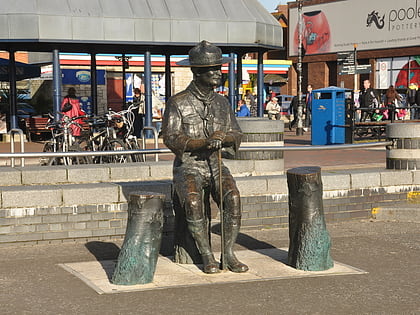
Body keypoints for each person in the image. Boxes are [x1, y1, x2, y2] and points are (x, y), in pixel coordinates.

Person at [161, 40, 248, 274]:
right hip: (189, 167)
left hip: (216, 165)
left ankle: (228, 254)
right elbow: (171, 137)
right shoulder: (177, 102)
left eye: (219, 68)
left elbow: (237, 133)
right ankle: (206, 254)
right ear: (197, 72)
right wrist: (201, 143)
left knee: (233, 199)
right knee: (192, 202)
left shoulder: (222, 103)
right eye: (212, 69)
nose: (218, 74)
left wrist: (225, 137)